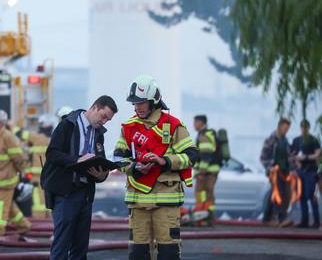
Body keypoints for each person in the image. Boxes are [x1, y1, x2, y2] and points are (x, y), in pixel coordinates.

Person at [113, 75, 197, 260]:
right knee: (137, 254)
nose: (137, 107)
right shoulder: (128, 127)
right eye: (135, 103)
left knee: (168, 254)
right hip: (138, 203)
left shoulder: (173, 126)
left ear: (154, 101)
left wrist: (164, 161)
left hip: (166, 203)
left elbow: (192, 156)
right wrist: (134, 168)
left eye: (142, 102)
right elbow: (118, 158)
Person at [41, 95, 117, 260]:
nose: (104, 121)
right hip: (65, 193)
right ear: (95, 107)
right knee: (62, 244)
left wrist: (101, 175)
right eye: (103, 116)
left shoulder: (98, 134)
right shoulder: (67, 125)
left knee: (81, 246)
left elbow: (100, 162)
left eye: (108, 120)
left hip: (85, 194)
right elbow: (52, 154)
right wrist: (76, 160)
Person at [0, 110, 32, 236]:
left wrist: (24, 173)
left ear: (0, 123)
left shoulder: (7, 136)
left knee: (0, 205)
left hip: (5, 179)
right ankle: (23, 225)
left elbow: (18, 157)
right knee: (8, 205)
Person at [260, 117, 294, 227]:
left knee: (276, 195)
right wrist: (271, 167)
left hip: (285, 173)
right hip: (274, 173)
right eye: (285, 128)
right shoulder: (270, 140)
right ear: (279, 126)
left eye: (288, 129)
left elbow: (288, 158)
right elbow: (262, 157)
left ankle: (266, 218)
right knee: (277, 193)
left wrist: (292, 169)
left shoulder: (285, 141)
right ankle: (282, 218)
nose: (286, 131)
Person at [290, 119, 320, 228]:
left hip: (310, 171)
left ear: (308, 128)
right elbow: (292, 154)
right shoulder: (296, 140)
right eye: (302, 127)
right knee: (301, 196)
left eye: (306, 127)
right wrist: (296, 160)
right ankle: (304, 221)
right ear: (300, 128)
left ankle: (316, 221)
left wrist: (306, 157)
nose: (304, 129)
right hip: (300, 171)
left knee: (311, 195)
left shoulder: (313, 140)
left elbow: (317, 154)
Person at [25, 114, 56, 219]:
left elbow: (20, 134)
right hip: (51, 176)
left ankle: (39, 219)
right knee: (50, 198)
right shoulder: (55, 139)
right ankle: (50, 220)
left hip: (37, 176)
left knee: (38, 199)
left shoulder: (36, 138)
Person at [192, 114, 220, 226]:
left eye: (195, 122)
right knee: (208, 195)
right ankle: (208, 218)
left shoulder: (204, 135)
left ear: (201, 123)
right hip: (211, 171)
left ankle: (204, 218)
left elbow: (206, 155)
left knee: (201, 194)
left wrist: (201, 173)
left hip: (206, 172)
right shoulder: (207, 134)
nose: (193, 125)